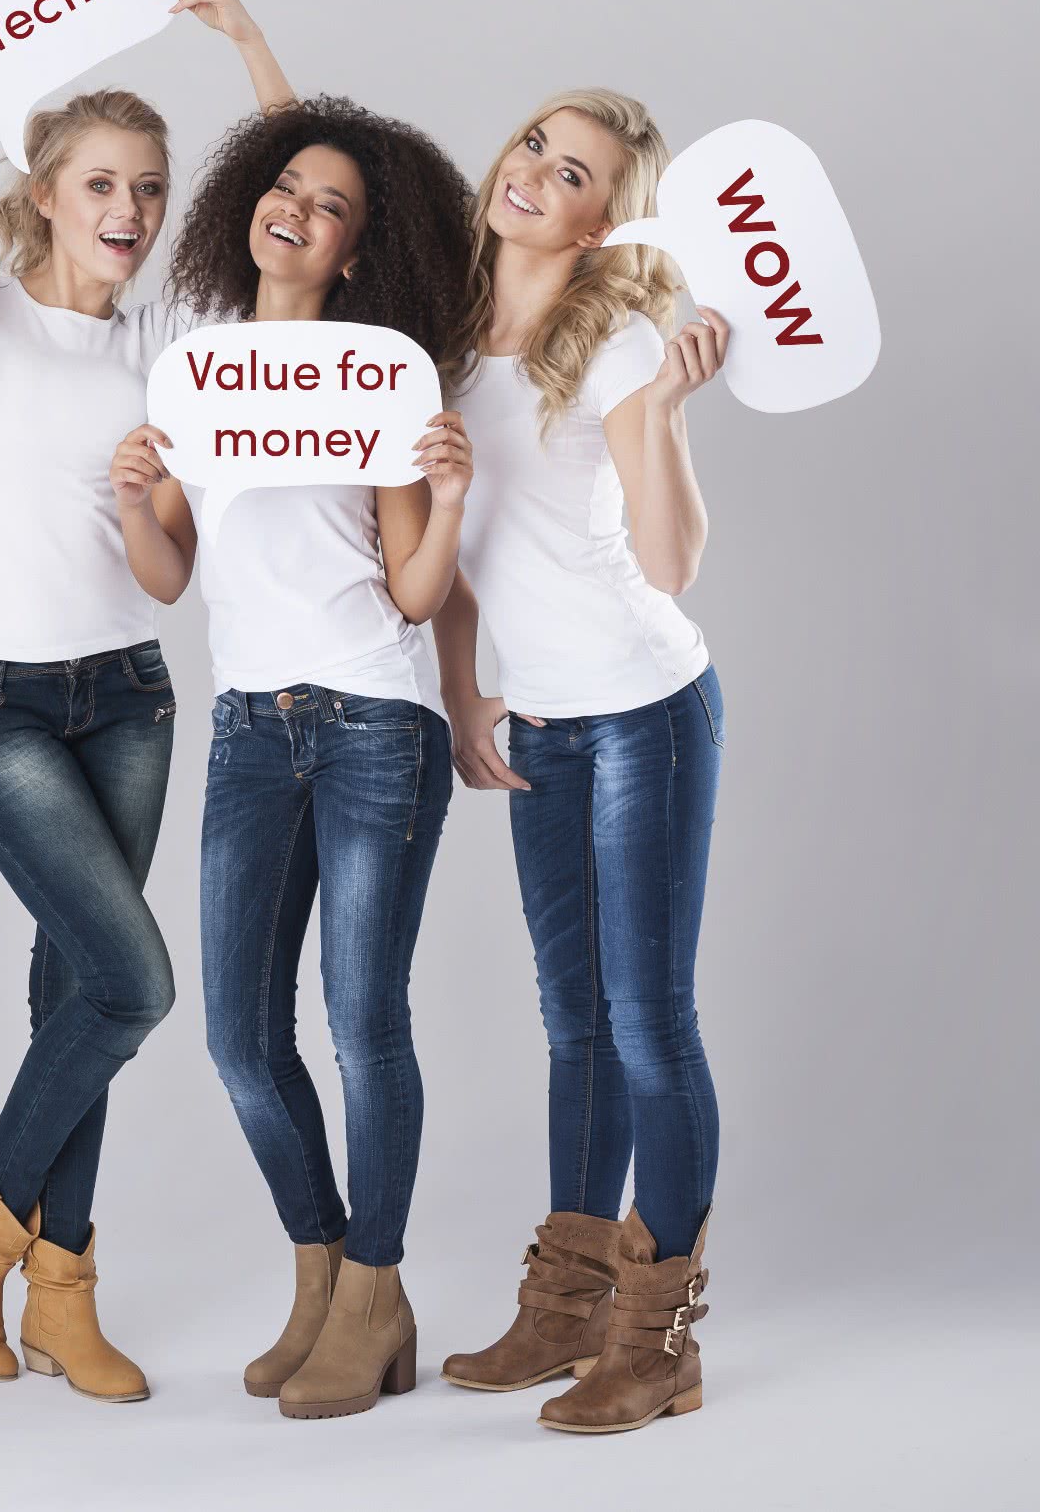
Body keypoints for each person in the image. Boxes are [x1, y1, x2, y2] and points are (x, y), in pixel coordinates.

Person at [0, 0, 291, 1403]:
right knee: (134, 983)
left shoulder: (165, 342)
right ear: (47, 191)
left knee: (75, 990)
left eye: (150, 190)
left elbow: (299, 223)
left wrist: (246, 39)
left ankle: (61, 1293)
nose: (130, 211)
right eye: (102, 184)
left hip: (125, 691)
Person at [115, 96, 473, 1419]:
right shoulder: (199, 371)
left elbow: (416, 593)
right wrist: (131, 495)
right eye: (287, 188)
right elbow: (168, 574)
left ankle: (375, 1291)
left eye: (334, 208)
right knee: (241, 1036)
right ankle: (325, 1274)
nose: (299, 212)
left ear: (355, 251)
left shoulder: (379, 376)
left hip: (376, 719)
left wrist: (451, 497)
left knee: (365, 1024)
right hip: (250, 730)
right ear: (249, 206)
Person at [431, 90, 727, 1434]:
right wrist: (464, 698)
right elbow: (452, 558)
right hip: (544, 720)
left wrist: (663, 411)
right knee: (576, 1026)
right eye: (534, 148)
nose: (534, 174)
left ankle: (657, 1342)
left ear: (604, 221)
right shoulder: (445, 338)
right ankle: (564, 1313)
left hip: (644, 708)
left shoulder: (617, 344)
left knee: (649, 1023)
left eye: (573, 174)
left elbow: (671, 565)